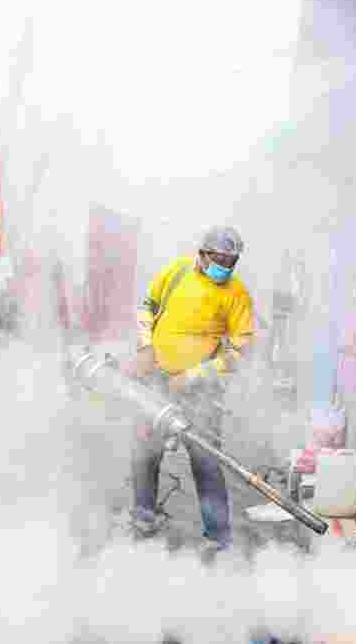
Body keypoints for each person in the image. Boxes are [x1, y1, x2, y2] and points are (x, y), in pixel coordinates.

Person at [126, 226, 256, 555]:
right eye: (219, 259)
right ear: (201, 254)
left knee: (206, 459)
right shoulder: (177, 272)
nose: (225, 267)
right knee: (145, 450)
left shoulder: (236, 294)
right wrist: (144, 348)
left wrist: (194, 376)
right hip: (155, 378)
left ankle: (218, 538)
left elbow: (240, 352)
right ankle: (143, 518)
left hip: (201, 391)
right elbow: (147, 307)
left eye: (232, 261)